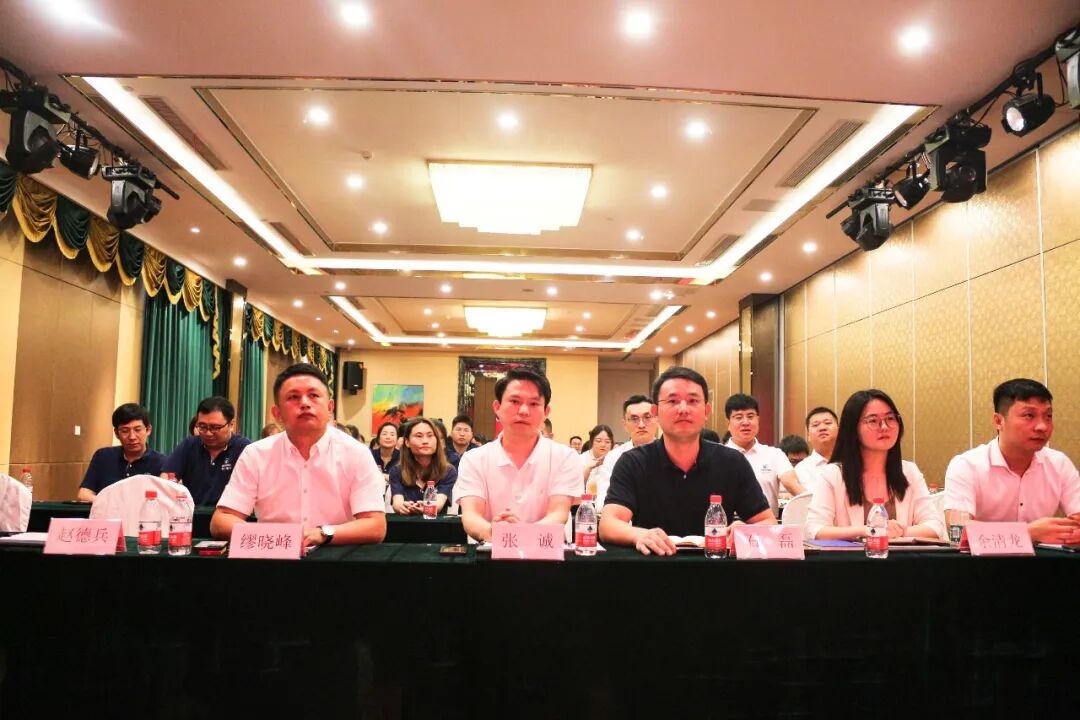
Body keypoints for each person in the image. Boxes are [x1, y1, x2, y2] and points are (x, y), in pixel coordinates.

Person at [600, 367, 775, 556]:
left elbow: (767, 522)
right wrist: (639, 535)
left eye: (693, 401)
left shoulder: (732, 462)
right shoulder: (633, 462)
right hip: (653, 565)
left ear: (706, 411)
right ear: (655, 412)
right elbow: (608, 524)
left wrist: (745, 530)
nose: (683, 409)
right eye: (672, 401)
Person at [211, 363, 386, 546]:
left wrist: (322, 533)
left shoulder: (356, 453)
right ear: (277, 413)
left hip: (334, 555)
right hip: (273, 556)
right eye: (294, 397)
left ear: (330, 408)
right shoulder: (256, 454)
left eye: (313, 395)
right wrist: (276, 538)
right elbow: (221, 521)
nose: (304, 403)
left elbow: (375, 526)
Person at [944, 378, 1080, 544]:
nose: (1042, 426)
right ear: (998, 421)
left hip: (1043, 560)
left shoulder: (1059, 464)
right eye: (1029, 415)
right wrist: (1028, 533)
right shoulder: (966, 465)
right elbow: (957, 532)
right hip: (981, 560)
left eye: (1048, 416)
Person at [453, 368, 580, 542]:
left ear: (546, 412)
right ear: (497, 407)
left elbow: (558, 514)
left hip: (545, 553)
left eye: (534, 404)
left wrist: (518, 536)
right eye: (514, 401)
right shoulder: (474, 459)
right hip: (489, 552)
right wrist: (493, 532)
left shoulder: (566, 457)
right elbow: (471, 516)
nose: (524, 411)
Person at [805, 389, 944, 540]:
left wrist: (898, 532)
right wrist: (869, 531)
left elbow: (935, 526)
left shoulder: (909, 472)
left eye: (890, 418)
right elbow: (815, 530)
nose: (884, 426)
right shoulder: (833, 474)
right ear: (853, 428)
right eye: (873, 421)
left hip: (901, 556)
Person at [724, 394, 805, 515]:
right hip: (727, 524)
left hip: (767, 524)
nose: (745, 422)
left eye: (750, 416)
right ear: (728, 423)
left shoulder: (774, 454)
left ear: (758, 420)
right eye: (738, 417)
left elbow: (794, 486)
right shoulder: (718, 456)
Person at [162, 396, 252, 506]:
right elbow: (166, 477)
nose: (208, 433)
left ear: (231, 425)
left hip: (230, 513)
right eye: (202, 427)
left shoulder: (244, 449)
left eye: (215, 427)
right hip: (193, 512)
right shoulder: (189, 445)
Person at [77, 404, 166, 501]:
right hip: (107, 510)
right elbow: (84, 494)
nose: (132, 437)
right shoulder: (103, 456)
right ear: (116, 433)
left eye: (137, 430)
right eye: (125, 431)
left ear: (148, 430)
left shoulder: (162, 463)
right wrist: (114, 505)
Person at [589, 395, 658, 506]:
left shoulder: (669, 453)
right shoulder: (613, 457)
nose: (641, 425)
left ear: (657, 420)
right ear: (625, 424)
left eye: (647, 417)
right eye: (634, 419)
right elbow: (603, 499)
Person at [389, 417, 458, 515]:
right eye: (419, 436)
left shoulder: (448, 471)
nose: (425, 441)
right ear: (407, 442)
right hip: (405, 522)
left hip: (435, 523)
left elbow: (438, 504)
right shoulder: (396, 471)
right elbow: (397, 502)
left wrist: (428, 507)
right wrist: (402, 507)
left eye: (430, 436)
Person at [793, 407, 838, 494]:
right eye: (815, 425)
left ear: (839, 431)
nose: (822, 428)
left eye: (828, 423)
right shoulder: (801, 469)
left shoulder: (853, 462)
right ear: (808, 436)